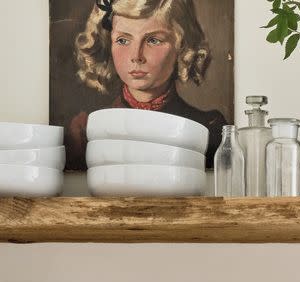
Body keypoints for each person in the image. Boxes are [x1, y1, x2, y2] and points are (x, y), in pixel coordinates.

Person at [65, 0, 226, 170]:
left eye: (153, 40)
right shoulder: (87, 130)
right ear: (108, 43)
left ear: (182, 47)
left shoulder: (209, 127)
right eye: (123, 40)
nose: (136, 56)